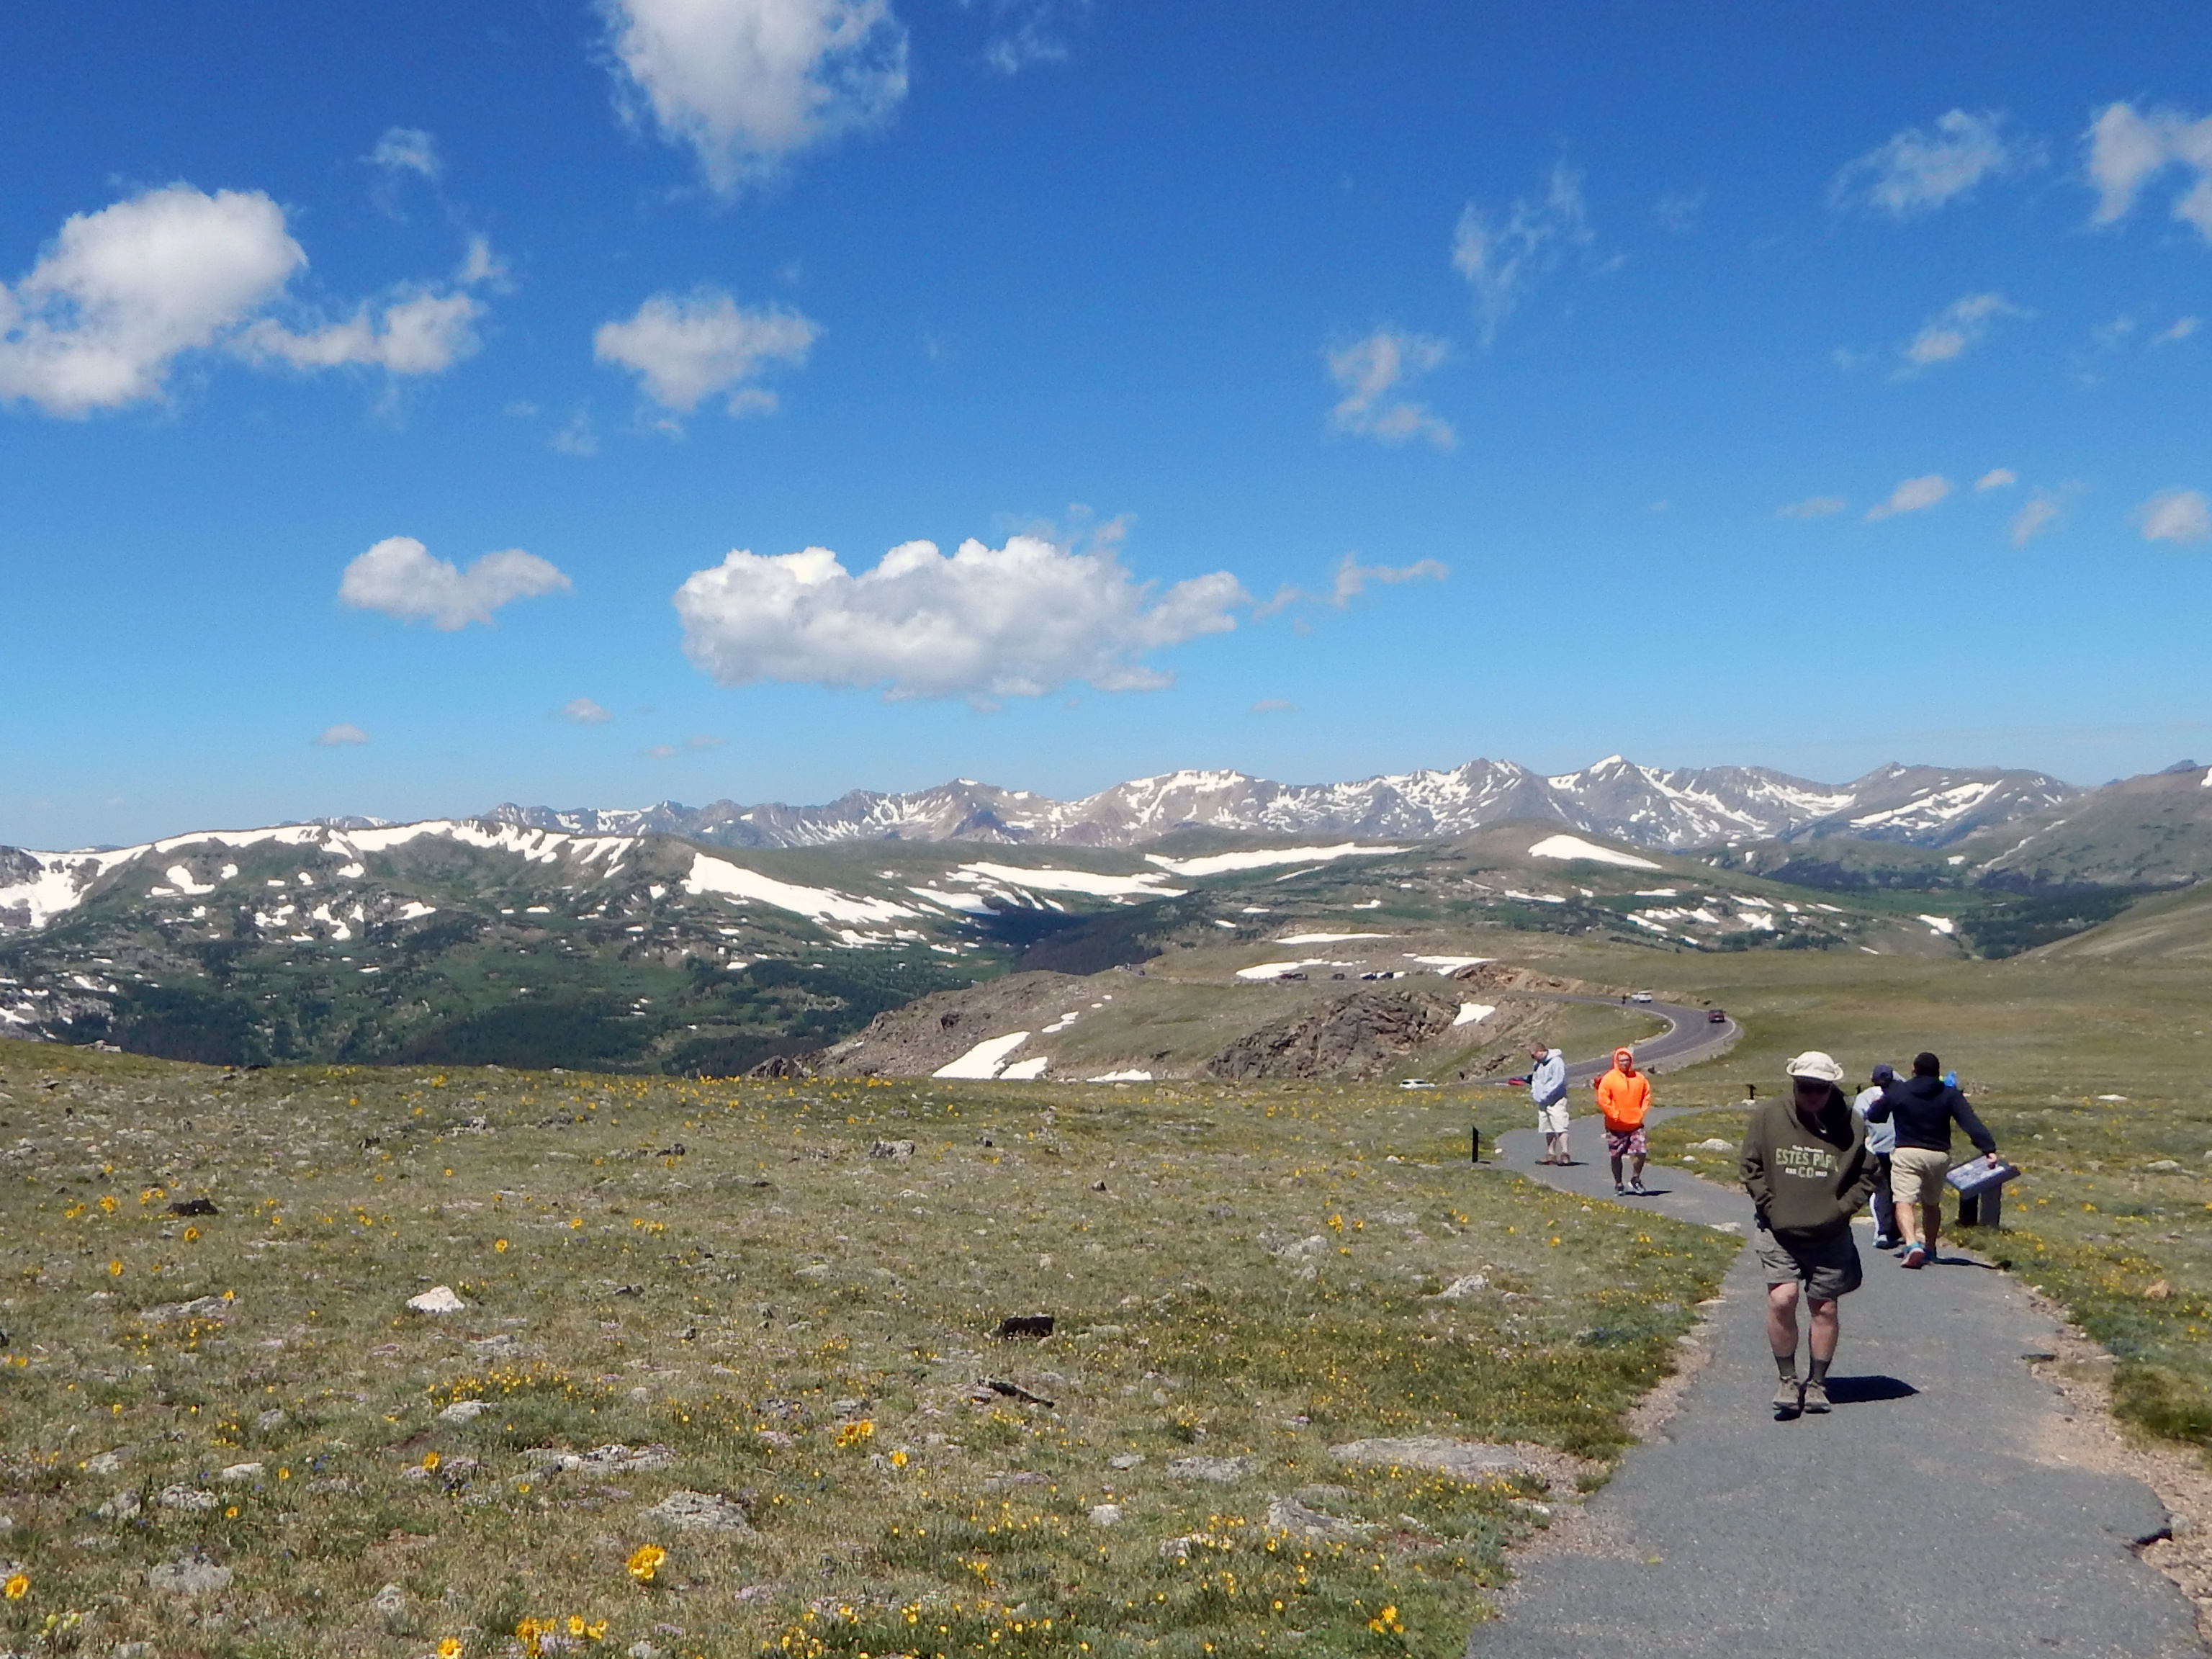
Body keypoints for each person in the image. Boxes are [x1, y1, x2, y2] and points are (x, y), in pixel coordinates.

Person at [1741, 1051, 1881, 1417]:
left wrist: (1841, 1209)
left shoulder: (1851, 1124)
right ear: (1794, 1084)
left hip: (1830, 1234)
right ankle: (1787, 1379)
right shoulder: (1769, 1117)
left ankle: (1817, 1383)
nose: (1812, 1095)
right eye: (1805, 1088)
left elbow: (1869, 1173)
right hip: (1778, 1230)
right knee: (1783, 1299)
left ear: (1830, 1086)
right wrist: (1769, 1206)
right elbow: (1751, 1166)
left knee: (1825, 1306)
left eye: (1819, 1088)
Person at [1866, 1051, 1997, 1269]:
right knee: (1931, 1203)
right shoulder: (1949, 1094)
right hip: (1938, 1155)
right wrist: (1988, 1149)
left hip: (1907, 1152)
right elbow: (1969, 1121)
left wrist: (1881, 1102)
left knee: (1904, 1201)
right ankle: (1930, 1248)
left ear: (1913, 1069)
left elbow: (1875, 1116)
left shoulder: (1900, 1090)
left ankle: (1911, 1244)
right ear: (1938, 1073)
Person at [1852, 1063, 1901, 1250]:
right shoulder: (1902, 1091)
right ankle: (1896, 1229)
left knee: (1881, 1190)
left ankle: (1883, 1231)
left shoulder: (1865, 1097)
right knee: (1900, 1190)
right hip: (1902, 1146)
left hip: (1877, 1148)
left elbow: (1857, 1123)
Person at [1593, 1047, 1652, 1196]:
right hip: (1615, 1125)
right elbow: (1603, 1099)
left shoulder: (1639, 1078)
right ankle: (1618, 1183)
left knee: (1641, 1151)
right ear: (1616, 1061)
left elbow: (1646, 1095)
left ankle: (1635, 1178)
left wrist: (1641, 1112)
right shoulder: (1609, 1079)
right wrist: (1614, 1114)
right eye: (1621, 1061)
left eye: (1627, 1060)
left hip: (1635, 1124)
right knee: (1616, 1155)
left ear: (1631, 1061)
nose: (1624, 1063)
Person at [1528, 1042, 1570, 1165]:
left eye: (1533, 1055)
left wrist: (1547, 1095)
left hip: (1556, 1099)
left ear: (1540, 1051)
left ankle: (1565, 1153)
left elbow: (1558, 1081)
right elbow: (1535, 1081)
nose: (1533, 1058)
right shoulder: (1537, 1065)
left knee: (1560, 1125)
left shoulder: (1556, 1062)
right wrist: (1535, 1094)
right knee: (1548, 1127)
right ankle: (1550, 1153)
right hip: (1542, 1100)